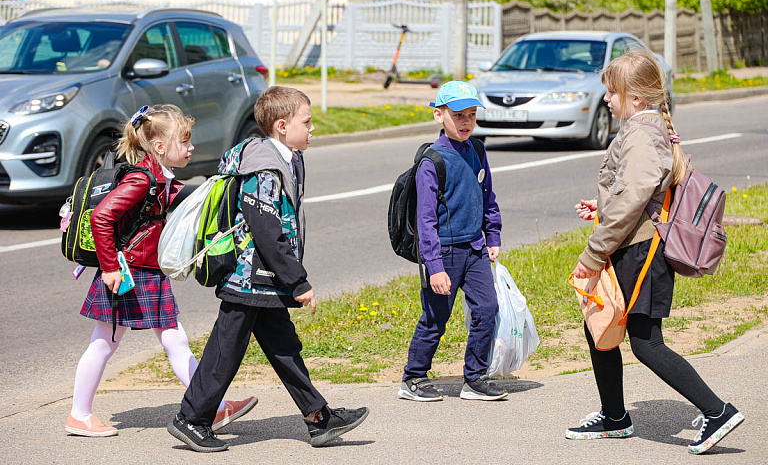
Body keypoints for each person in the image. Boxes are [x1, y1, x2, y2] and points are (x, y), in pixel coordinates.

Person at [167, 86, 369, 452]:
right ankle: (191, 419)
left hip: (264, 278)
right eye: (306, 122)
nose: (312, 128)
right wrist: (298, 281)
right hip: (247, 277)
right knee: (226, 350)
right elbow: (266, 230)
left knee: (283, 346)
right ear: (281, 126)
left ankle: (319, 418)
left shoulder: (288, 159)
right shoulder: (263, 167)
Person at [567, 50, 743, 454]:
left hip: (640, 251)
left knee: (645, 342)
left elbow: (633, 197)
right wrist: (602, 205)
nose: (607, 99)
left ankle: (717, 412)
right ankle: (615, 417)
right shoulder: (644, 128)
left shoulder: (642, 135)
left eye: (613, 92)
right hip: (635, 244)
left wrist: (593, 254)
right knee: (600, 326)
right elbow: (638, 192)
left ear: (636, 97)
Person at [66, 105, 256, 438]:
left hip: (144, 270)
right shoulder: (142, 179)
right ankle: (79, 415)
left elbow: (188, 198)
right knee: (105, 342)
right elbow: (101, 217)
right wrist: (109, 268)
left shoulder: (158, 176)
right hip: (128, 272)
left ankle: (213, 407)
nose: (191, 147)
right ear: (159, 147)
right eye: (184, 141)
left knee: (173, 339)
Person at [399, 80, 506, 403]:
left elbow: (487, 196)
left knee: (487, 309)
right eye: (458, 115)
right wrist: (434, 267)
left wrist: (492, 234)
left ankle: (475, 378)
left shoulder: (477, 150)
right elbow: (426, 221)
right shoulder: (432, 161)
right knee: (435, 318)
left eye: (472, 115)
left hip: (475, 248)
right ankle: (413, 377)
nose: (466, 122)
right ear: (438, 115)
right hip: (444, 253)